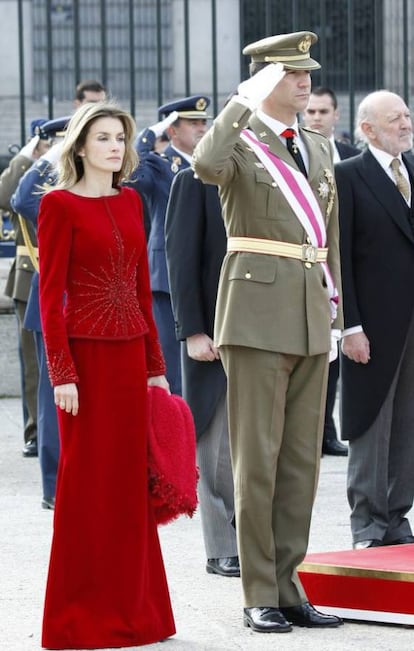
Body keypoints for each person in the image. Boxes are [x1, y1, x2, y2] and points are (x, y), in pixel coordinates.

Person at [193, 31, 343, 633]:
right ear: (262, 80)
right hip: (255, 316)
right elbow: (205, 165)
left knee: (301, 464)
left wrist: (336, 312)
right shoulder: (239, 139)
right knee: (257, 459)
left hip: (310, 313)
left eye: (307, 73)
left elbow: (326, 239)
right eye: (290, 74)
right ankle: (258, 591)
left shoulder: (317, 144)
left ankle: (288, 586)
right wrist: (241, 101)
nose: (304, 82)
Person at [37, 101, 175, 649]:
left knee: (129, 490)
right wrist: (62, 373)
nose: (115, 147)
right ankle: (76, 619)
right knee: (84, 489)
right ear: (80, 146)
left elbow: (142, 291)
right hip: (85, 368)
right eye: (103, 138)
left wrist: (155, 369)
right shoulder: (59, 206)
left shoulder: (133, 201)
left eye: (120, 137)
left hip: (128, 364)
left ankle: (138, 616)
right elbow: (50, 302)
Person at [11, 82, 107, 509]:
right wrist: (49, 153)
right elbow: (17, 199)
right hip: (55, 306)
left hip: (96, 310)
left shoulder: (101, 181)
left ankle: (86, 479)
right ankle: (55, 486)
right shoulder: (51, 188)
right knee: (56, 405)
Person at [336, 90, 414, 550]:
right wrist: (349, 325)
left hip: (412, 323)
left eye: (407, 115)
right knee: (371, 422)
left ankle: (397, 518)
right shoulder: (349, 176)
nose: (405, 124)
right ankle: (367, 523)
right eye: (394, 119)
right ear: (367, 129)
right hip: (371, 325)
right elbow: (340, 256)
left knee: (407, 422)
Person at [165, 167, 239, 577]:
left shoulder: (277, 169)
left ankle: (256, 543)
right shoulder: (195, 178)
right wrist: (192, 330)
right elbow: (181, 255)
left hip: (264, 329)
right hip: (213, 330)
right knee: (216, 449)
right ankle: (222, 545)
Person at [130, 95, 210, 395]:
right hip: (168, 275)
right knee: (173, 364)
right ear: (172, 130)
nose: (201, 128)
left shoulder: (212, 163)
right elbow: (132, 176)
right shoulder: (158, 163)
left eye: (204, 122)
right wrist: (150, 134)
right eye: (193, 123)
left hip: (208, 270)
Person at [303, 86, 360, 457]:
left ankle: (328, 430)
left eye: (324, 111)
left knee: (335, 352)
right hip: (310, 261)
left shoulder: (352, 157)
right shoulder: (298, 155)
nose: (317, 118)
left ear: (337, 115)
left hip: (344, 260)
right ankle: (312, 431)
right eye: (311, 112)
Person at [1, 119, 50, 457]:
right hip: (28, 274)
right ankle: (35, 430)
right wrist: (26, 158)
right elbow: (6, 198)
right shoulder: (28, 172)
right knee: (33, 361)